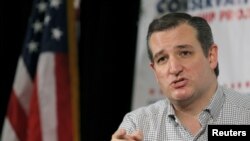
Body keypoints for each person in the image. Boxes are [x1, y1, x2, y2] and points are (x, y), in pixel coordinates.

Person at [111, 12, 250, 141]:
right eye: (162, 59)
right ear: (155, 72)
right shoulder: (136, 125)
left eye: (184, 53)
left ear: (211, 56)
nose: (174, 69)